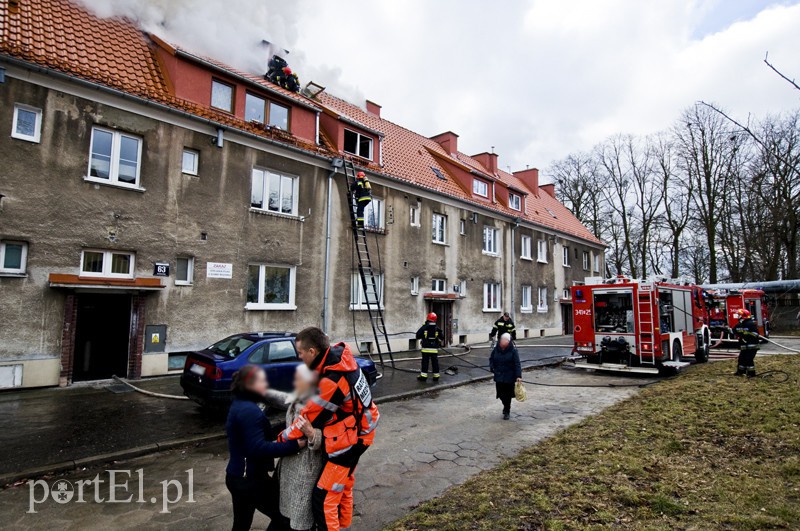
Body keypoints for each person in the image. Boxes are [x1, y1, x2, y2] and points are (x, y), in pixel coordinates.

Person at [278, 327, 380, 531]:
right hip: (363, 432)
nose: (299, 357)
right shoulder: (339, 359)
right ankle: (344, 525)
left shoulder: (333, 380)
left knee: (324, 498)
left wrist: (281, 438)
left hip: (351, 441)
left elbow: (306, 419)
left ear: (313, 351)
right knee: (344, 485)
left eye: (300, 352)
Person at [225, 365, 304, 531]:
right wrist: (294, 445)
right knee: (283, 518)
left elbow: (256, 433)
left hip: (236, 477)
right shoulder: (248, 410)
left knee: (241, 524)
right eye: (261, 382)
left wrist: (290, 427)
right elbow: (258, 448)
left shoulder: (240, 403)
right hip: (251, 480)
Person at [265, 365, 325, 531]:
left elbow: (331, 437)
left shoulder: (320, 407)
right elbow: (279, 398)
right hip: (288, 466)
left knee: (299, 519)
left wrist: (313, 434)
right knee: (284, 515)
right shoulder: (296, 400)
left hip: (305, 471)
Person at [489, 333, 522, 420]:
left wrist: (518, 375)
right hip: (499, 375)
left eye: (504, 346)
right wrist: (491, 366)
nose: (502, 347)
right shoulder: (496, 349)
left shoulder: (513, 351)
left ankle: (507, 410)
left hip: (509, 377)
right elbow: (491, 358)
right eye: (501, 345)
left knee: (507, 395)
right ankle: (505, 405)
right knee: (500, 394)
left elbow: (517, 364)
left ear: (508, 343)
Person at [416, 312, 444, 382]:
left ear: (427, 318)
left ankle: (423, 376)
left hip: (425, 349)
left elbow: (417, 336)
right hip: (434, 349)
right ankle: (436, 376)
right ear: (435, 320)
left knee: (425, 362)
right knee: (435, 362)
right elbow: (442, 337)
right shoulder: (437, 328)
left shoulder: (424, 327)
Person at [732, 309, 760, 377]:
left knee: (748, 359)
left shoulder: (751, 324)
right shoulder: (739, 324)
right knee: (741, 359)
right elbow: (734, 330)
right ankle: (740, 372)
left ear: (743, 316)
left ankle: (751, 373)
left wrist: (746, 336)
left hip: (752, 346)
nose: (738, 316)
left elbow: (756, 334)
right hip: (744, 346)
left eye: (739, 315)